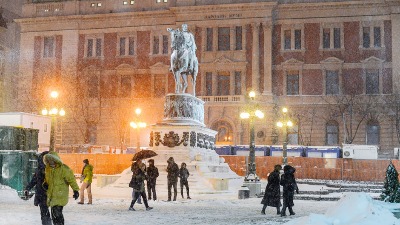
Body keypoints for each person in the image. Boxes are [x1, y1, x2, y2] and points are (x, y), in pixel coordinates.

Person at [43, 151, 80, 225]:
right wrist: (45, 184)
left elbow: (71, 180)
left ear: (56, 160)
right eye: (49, 160)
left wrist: (75, 190)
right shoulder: (48, 169)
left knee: (57, 213)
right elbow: (47, 179)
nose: (50, 162)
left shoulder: (64, 169)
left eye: (52, 160)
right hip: (52, 195)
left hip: (60, 194)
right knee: (54, 214)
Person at [24, 151, 52, 225]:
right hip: (43, 193)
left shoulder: (50, 169)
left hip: (45, 193)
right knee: (44, 212)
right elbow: (34, 180)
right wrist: (27, 188)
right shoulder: (41, 169)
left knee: (45, 212)